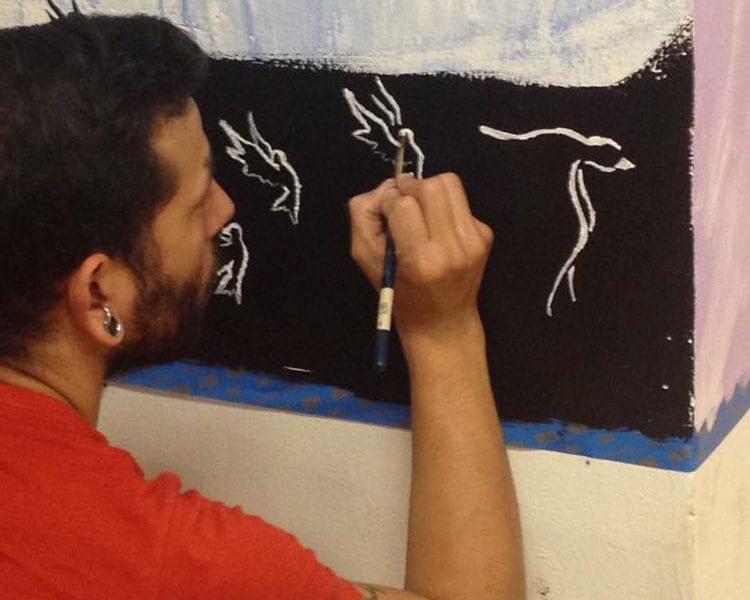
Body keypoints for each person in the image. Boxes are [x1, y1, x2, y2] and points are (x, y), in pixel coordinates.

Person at [0, 5, 524, 599]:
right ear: (99, 294)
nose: (224, 211)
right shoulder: (165, 563)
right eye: (198, 199)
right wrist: (443, 333)